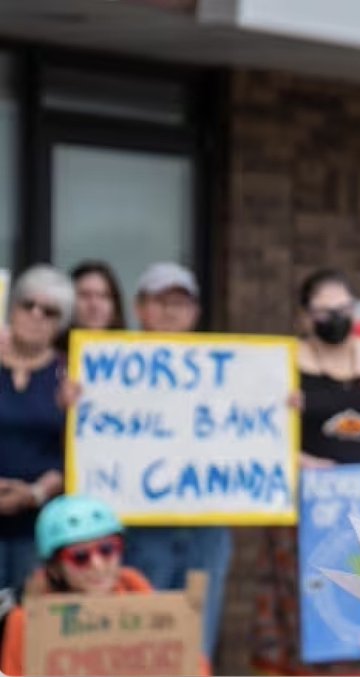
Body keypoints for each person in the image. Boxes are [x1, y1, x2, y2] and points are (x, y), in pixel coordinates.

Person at [252, 269, 360, 676]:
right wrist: (294, 456)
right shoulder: (283, 367)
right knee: (316, 617)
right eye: (323, 311)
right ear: (303, 317)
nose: (334, 318)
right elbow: (252, 425)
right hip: (310, 520)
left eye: (343, 310)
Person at [115, 262, 230, 663]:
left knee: (198, 637)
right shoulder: (113, 368)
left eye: (181, 302)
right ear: (139, 309)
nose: (171, 311)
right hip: (144, 527)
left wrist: (279, 405)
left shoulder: (229, 370)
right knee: (144, 636)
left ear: (195, 313)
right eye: (161, 301)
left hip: (207, 525)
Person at [0, 495, 208, 676]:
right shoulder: (27, 621)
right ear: (54, 567)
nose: (97, 565)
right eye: (80, 557)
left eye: (108, 549)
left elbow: (194, 667)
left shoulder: (147, 605)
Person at [0, 266, 71, 594]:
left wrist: (35, 493)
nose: (36, 315)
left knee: (25, 626)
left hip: (39, 526)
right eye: (28, 304)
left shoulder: (68, 375)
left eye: (50, 311)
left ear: (60, 324)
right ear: (12, 308)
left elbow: (74, 451)